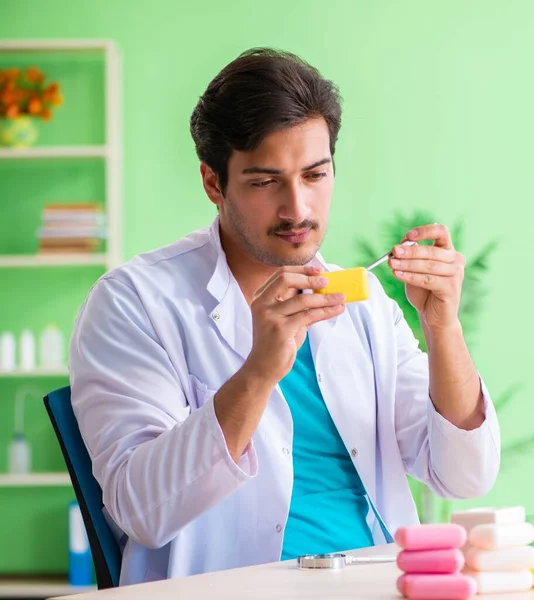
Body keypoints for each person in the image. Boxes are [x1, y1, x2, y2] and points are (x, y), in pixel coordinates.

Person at [69, 48, 500, 585]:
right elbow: (141, 511)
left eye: (315, 175)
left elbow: (463, 474)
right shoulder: (133, 303)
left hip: (377, 583)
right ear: (213, 183)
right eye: (265, 181)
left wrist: (443, 329)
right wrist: (258, 372)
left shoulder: (361, 298)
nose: (298, 208)